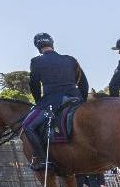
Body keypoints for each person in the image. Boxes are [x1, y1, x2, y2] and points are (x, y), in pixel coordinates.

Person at [23, 32, 89, 171]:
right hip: (75, 97)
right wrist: (82, 100)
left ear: (38, 47)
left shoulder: (36, 62)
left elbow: (34, 85)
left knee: (28, 126)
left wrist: (39, 102)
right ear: (52, 44)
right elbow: (84, 83)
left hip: (52, 100)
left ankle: (42, 159)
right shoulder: (70, 59)